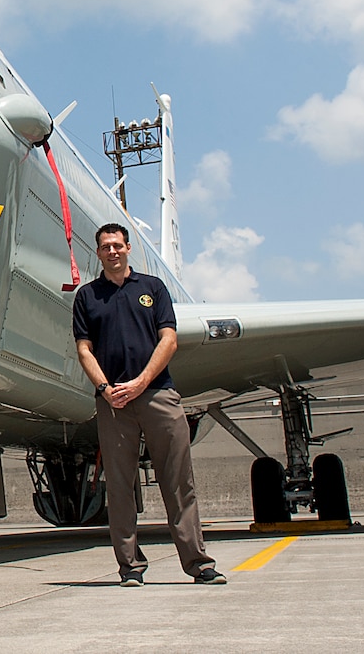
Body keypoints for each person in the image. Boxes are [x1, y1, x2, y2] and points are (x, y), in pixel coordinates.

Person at [73, 222, 225, 587]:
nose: (112, 251)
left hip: (157, 394)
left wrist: (141, 382)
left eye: (117, 245)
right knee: (120, 486)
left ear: (128, 249)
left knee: (178, 482)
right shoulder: (87, 296)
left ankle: (198, 563)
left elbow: (169, 340)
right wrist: (106, 388)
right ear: (98, 253)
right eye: (105, 246)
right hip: (113, 403)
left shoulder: (152, 288)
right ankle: (130, 568)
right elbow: (83, 349)